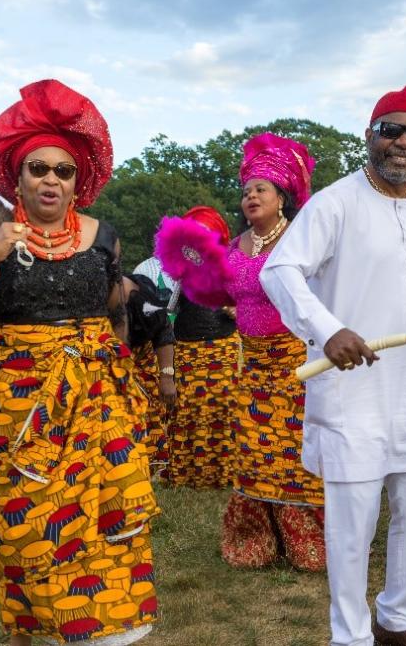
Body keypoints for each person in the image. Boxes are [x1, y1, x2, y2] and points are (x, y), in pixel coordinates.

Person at [0, 78, 159, 646]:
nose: (50, 180)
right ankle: (30, 624)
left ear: (76, 181)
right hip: (21, 398)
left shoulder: (102, 236)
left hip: (96, 391)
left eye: (63, 172)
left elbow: (114, 309)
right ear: (16, 177)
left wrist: (126, 371)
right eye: (38, 169)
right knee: (30, 512)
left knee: (107, 503)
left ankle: (110, 624)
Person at [261, 86, 406, 646]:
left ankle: (397, 619)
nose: (403, 142)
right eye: (391, 130)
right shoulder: (335, 202)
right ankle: (349, 636)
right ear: (370, 135)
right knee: (353, 524)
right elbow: (279, 271)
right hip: (350, 392)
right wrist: (328, 331)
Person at [158, 134, 326, 571]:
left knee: (294, 453)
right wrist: (193, 263)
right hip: (250, 364)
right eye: (247, 191)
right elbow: (216, 293)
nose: (251, 196)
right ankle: (256, 536)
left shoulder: (300, 241)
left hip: (296, 363)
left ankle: (309, 538)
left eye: (261, 190)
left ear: (282, 198)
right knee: (253, 450)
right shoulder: (235, 247)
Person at [165, 206, 239, 489]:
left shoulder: (232, 265)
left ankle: (221, 475)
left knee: (222, 409)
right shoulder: (179, 270)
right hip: (187, 349)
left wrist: (236, 309)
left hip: (222, 348)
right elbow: (169, 310)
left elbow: (252, 302)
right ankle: (189, 474)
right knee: (189, 411)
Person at [122, 272, 177, 472]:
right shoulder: (92, 303)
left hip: (143, 365)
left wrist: (167, 377)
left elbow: (163, 331)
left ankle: (150, 464)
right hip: (107, 363)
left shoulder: (144, 297)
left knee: (149, 413)